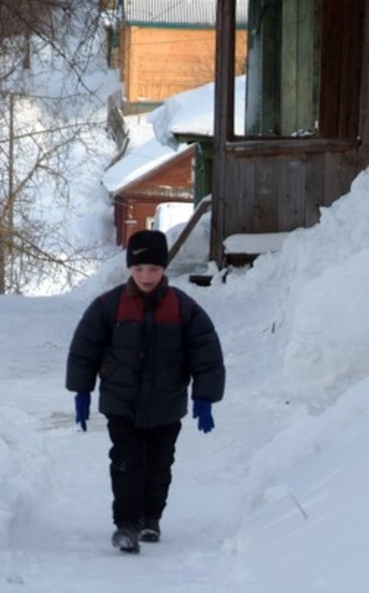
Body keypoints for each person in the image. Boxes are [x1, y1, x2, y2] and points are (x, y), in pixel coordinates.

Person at [65, 229, 225, 554]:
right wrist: (82, 391)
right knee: (126, 462)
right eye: (139, 269)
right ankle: (126, 525)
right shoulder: (109, 306)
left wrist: (204, 396)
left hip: (167, 403)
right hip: (121, 404)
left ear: (164, 269)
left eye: (153, 269)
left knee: (159, 465)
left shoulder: (182, 308)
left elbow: (205, 352)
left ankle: (151, 517)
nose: (146, 276)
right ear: (130, 269)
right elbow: (85, 349)